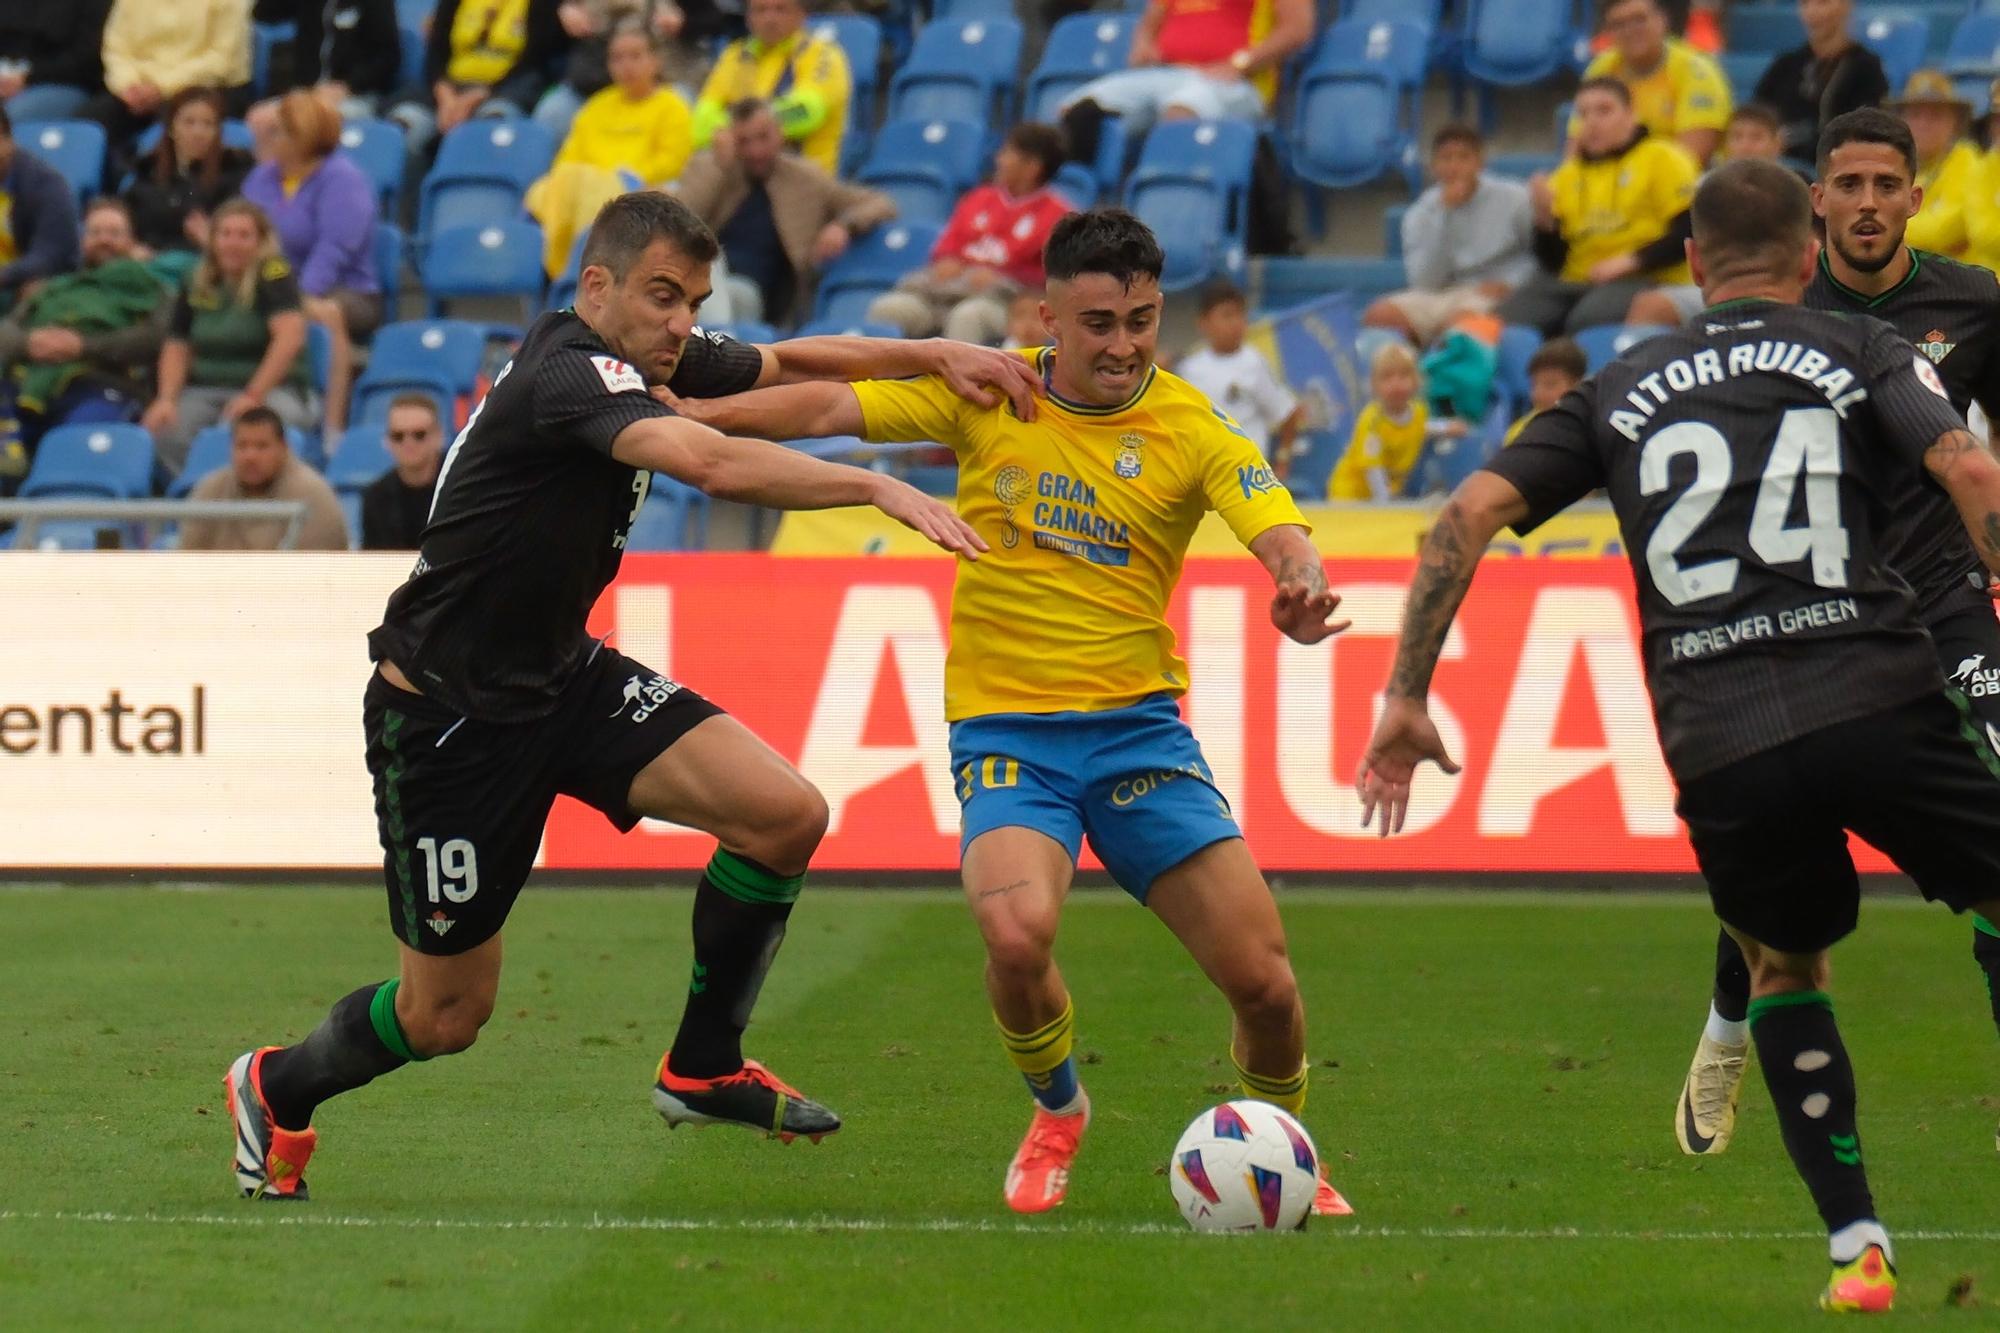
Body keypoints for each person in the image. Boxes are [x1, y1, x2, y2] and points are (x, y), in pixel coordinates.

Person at [221, 189, 1050, 1203]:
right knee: (445, 1016)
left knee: (782, 814)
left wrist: (929, 355)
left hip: (563, 679)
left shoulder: (643, 352)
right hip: (447, 721)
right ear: (596, 285)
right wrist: (874, 484)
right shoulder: (565, 375)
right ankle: (276, 1083)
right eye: (663, 296)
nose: (681, 323)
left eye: (692, 301)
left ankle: (702, 1066)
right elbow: (701, 456)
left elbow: (791, 358)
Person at [1357, 156, 2000, 1315]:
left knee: (1783, 967)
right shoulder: (1858, 348)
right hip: (1872, 692)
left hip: (1717, 734)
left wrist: (1404, 692)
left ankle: (1854, 1244)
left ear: (1691, 264)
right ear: (1809, 256)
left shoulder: (1615, 382)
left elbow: (1465, 514)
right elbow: (1961, 461)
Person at [665, 208, 1355, 1220]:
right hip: (1007, 735)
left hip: (1137, 735)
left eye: (1140, 320)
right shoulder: (989, 394)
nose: (1121, 344)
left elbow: (1276, 523)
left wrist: (1298, 582)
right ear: (1048, 316)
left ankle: (1286, 1150)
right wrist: (683, 417)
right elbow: (825, 409)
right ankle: (1058, 1110)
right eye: (1098, 322)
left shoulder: (1191, 427)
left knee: (1265, 986)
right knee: (1016, 931)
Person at [1672, 108, 2000, 1162]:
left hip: (1946, 608)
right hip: (1817, 614)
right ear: (1814, 202)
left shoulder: (1975, 306)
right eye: (1845, 184)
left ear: (1914, 195)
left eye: (1883, 185)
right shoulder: (1778, 307)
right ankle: (1727, 1025)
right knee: (1782, 863)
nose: (1865, 202)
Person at [1500, 77, 1698, 336]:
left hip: (1647, 276)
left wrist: (1631, 261)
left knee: (1587, 322)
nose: (1591, 122)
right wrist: (1544, 219)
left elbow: (1690, 230)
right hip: (1577, 279)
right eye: (1583, 113)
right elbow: (1553, 262)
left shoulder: (1664, 158)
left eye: (1604, 111)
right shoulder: (1567, 175)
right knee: (1503, 323)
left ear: (1631, 115)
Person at [673, 97, 895, 326]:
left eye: (763, 137)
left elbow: (880, 203)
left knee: (737, 293)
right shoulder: (718, 169)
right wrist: (719, 166)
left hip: (764, 296)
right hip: (708, 277)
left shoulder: (806, 179)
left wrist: (844, 225)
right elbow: (679, 219)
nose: (755, 150)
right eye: (744, 141)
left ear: (780, 134)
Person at [142, 199, 317, 478]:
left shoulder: (275, 274)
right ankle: (199, 495)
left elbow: (289, 338)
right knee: (167, 429)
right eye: (225, 234)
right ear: (212, 240)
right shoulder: (195, 278)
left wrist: (253, 395)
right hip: (206, 389)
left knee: (246, 431)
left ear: (260, 241)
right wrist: (166, 399)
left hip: (274, 390)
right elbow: (177, 345)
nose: (233, 243)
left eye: (244, 235)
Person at [242, 89, 380, 433]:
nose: (272, 139)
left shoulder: (343, 179)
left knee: (324, 315)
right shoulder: (263, 177)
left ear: (302, 137)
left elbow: (335, 249)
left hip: (343, 289)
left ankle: (331, 426)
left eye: (280, 132)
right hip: (273, 287)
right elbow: (248, 232)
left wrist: (295, 297)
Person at [865, 124, 1074, 346]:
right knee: (889, 309)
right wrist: (947, 262)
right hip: (942, 294)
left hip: (1002, 304)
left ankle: (955, 382)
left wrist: (1003, 276)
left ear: (1032, 166)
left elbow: (1054, 280)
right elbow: (945, 249)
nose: (999, 160)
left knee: (968, 317)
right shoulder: (978, 198)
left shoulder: (1059, 216)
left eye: (1007, 153)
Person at [526, 20, 694, 277]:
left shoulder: (672, 106)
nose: (626, 66)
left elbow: (673, 161)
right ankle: (556, 273)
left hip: (640, 189)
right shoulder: (596, 106)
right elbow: (568, 159)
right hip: (586, 188)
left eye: (636, 56)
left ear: (656, 61)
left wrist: (619, 178)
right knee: (541, 191)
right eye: (617, 58)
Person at [0, 198, 166, 449]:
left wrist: (83, 346)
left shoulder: (152, 289)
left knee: (73, 452)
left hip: (100, 385)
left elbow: (155, 338)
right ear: (83, 241)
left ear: (132, 241)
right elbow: (6, 331)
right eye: (95, 232)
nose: (104, 239)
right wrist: (28, 343)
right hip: (26, 383)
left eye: (114, 233)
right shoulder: (53, 288)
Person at [1057, 0, 1315, 158]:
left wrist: (1240, 64)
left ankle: (1164, 210)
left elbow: (1297, 29)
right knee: (1076, 108)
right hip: (1166, 74)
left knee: (1181, 110)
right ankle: (1077, 213)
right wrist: (1143, 46)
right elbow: (1148, 25)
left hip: (1236, 83)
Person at [1362, 123, 1535, 347]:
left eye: (1464, 158)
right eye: (1446, 158)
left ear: (1480, 162)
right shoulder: (1421, 213)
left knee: (1458, 327)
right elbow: (1423, 282)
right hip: (1439, 294)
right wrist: (1445, 217)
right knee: (1379, 316)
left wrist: (1513, 283)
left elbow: (1540, 252)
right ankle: (1403, 374)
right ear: (1434, 166)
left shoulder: (1515, 198)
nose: (1455, 166)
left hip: (1493, 292)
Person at [1625, 103, 1792, 326]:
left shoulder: (1796, 191)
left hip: (1775, 288)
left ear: (1778, 143)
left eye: (1756, 137)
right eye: (1737, 137)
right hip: (1710, 286)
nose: (1745, 146)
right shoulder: (1704, 189)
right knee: (1649, 305)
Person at [689, 0, 849, 176]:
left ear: (802, 15)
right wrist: (745, 130)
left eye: (780, 10)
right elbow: (701, 122)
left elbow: (807, 111)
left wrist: (736, 130)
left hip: (803, 176)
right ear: (748, 18)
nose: (769, 19)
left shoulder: (822, 54)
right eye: (760, 10)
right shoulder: (735, 55)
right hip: (740, 177)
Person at [387, 0, 567, 152]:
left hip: (507, 87)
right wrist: (445, 96)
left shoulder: (542, 4)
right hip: (449, 88)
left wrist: (478, 95)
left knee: (493, 121)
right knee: (406, 124)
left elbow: (533, 59)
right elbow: (436, 53)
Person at [87, 0, 253, 160]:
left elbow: (221, 59)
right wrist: (128, 86)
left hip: (207, 87)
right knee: (90, 124)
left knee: (175, 126)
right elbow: (116, 49)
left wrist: (161, 88)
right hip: (137, 91)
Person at [1575, 0, 1731, 165]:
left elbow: (1690, 160)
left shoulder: (1696, 71)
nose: (1630, 31)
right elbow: (1576, 149)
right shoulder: (1601, 68)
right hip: (1613, 180)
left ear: (1662, 20)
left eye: (1639, 20)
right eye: (1618, 25)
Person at [179, 405, 350, 550]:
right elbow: (186, 562)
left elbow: (315, 575)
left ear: (283, 448)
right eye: (242, 446)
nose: (250, 456)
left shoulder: (313, 495)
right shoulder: (210, 489)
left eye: (261, 446)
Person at [1175, 280, 1300, 475]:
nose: (1236, 323)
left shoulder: (1254, 363)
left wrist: (1283, 461)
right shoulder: (1189, 369)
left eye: (1240, 315)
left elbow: (1288, 413)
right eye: (1227, 316)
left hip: (1248, 473)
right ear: (1203, 323)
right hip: (1202, 471)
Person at [124, 88, 255, 262]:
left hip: (202, 265)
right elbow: (126, 221)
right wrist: (130, 246)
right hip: (147, 264)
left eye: (208, 124)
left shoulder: (235, 174)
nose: (198, 133)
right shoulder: (147, 172)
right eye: (189, 122)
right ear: (171, 127)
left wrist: (211, 240)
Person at [1753, 0, 1889, 162]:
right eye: (1805, 4)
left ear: (1846, 6)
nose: (1812, 12)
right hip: (1781, 166)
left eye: (1822, 3)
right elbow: (1756, 115)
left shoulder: (1865, 68)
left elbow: (1867, 129)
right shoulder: (1786, 65)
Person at [1329, 341, 1439, 501]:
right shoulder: (1372, 421)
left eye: (1404, 375)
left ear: (1416, 380)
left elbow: (1419, 427)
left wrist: (1446, 427)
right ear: (1374, 384)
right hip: (1352, 498)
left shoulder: (1419, 411)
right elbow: (1372, 469)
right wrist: (1385, 503)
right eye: (1387, 377)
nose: (1396, 384)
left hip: (1390, 494)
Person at [1890, 71, 1979, 260]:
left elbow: (1945, 231)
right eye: (1915, 115)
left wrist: (1887, 230)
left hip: (1957, 281)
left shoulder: (1969, 162)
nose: (1924, 124)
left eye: (1936, 116)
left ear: (1955, 123)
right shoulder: (1892, 162)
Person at [0, 106, 84, 307]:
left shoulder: (46, 185)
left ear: (8, 141)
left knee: (34, 289)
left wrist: (5, 275)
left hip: (20, 282)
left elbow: (50, 254)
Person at [281, 0, 405, 123]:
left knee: (312, 122)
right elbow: (267, 13)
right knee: (272, 116)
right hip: (311, 91)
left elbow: (388, 57)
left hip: (358, 94)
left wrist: (348, 86)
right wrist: (306, 90)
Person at [0, 2, 112, 124]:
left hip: (64, 83)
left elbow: (86, 59)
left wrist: (27, 77)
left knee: (9, 117)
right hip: (8, 74)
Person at [360, 393, 444, 550]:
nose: (408, 443)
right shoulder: (376, 498)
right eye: (398, 436)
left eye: (419, 435)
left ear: (438, 437)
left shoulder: (460, 488)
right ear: (387, 441)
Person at [1501, 336, 1586, 446]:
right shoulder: (1519, 433)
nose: (1538, 394)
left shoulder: (1596, 429)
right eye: (1534, 385)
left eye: (1550, 385)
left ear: (1578, 385)